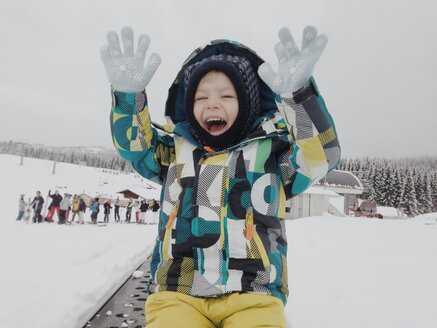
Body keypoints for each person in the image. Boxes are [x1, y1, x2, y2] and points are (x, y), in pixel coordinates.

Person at [102, 26, 340, 328]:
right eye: (201, 98)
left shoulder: (273, 156)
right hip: (178, 291)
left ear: (249, 105)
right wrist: (127, 99)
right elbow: (135, 146)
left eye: (227, 95)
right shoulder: (175, 152)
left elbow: (322, 154)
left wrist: (299, 97)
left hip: (253, 292)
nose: (212, 103)